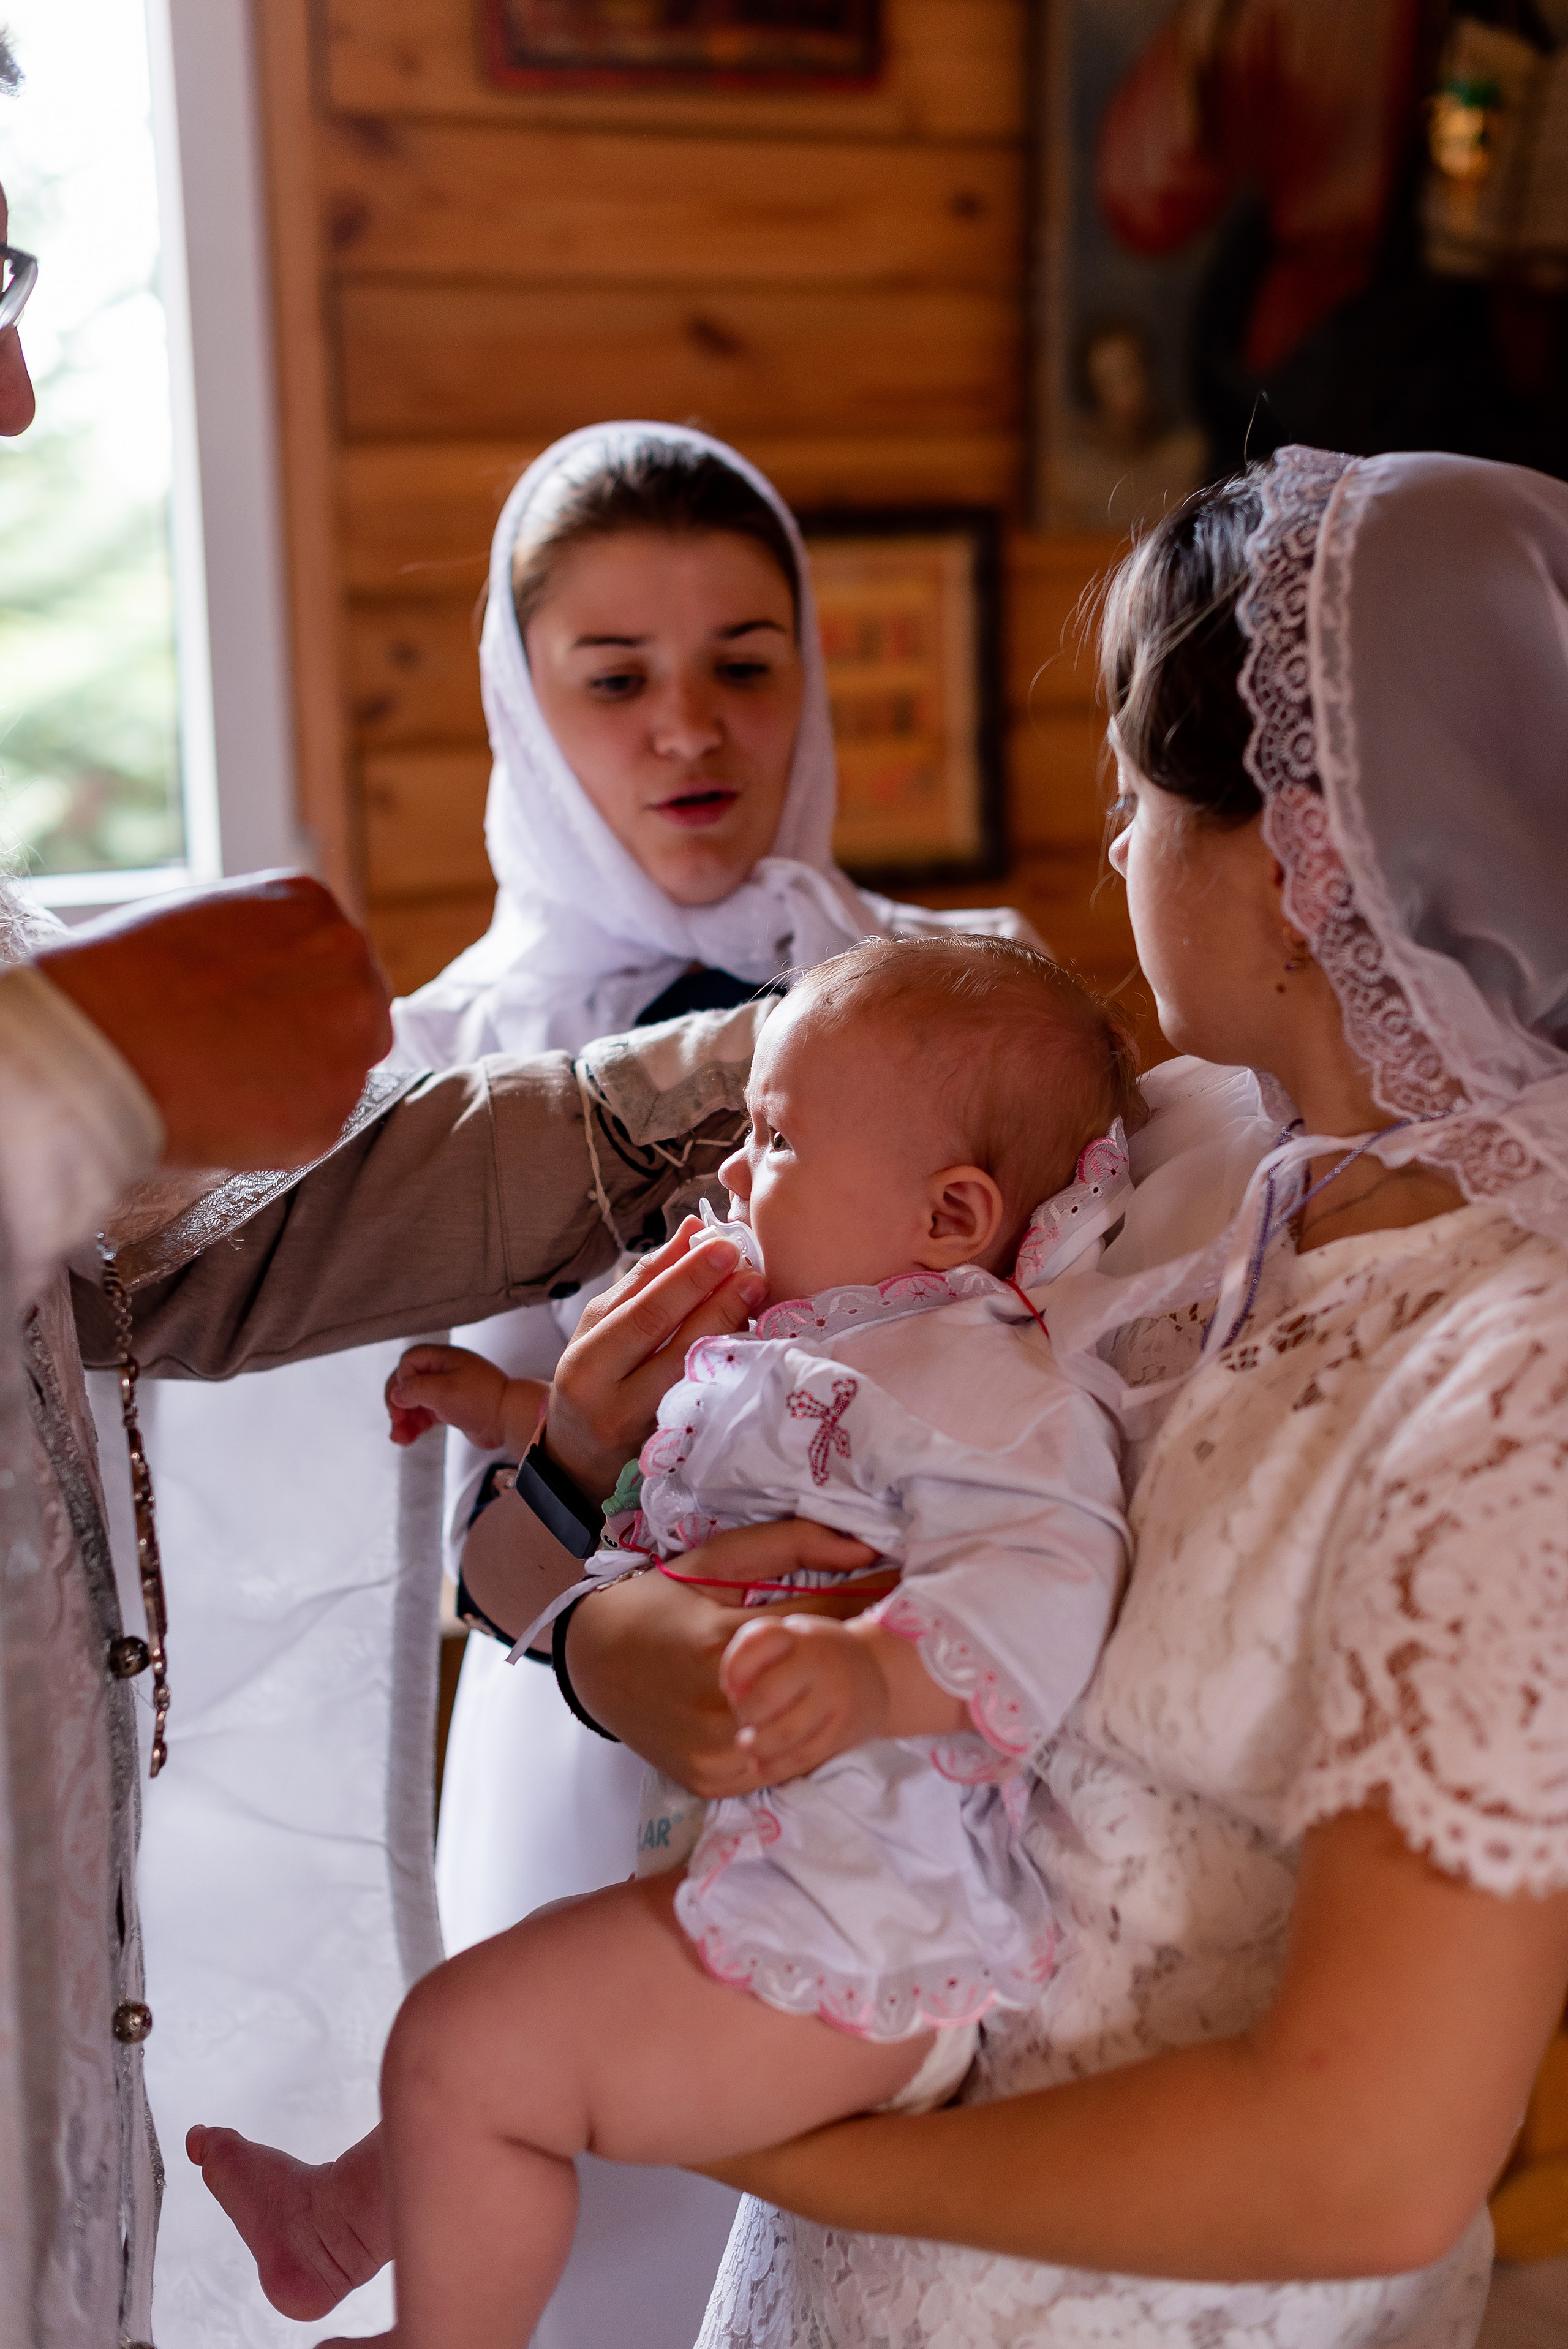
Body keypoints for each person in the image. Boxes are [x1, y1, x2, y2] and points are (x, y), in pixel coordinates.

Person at [529, 442, 1567, 2345]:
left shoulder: (1523, 1376)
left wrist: (792, 2149)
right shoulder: (1156, 1163)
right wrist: (629, 1633)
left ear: (1294, 852)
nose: (1109, 856)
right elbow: (826, 1484)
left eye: (1131, 797)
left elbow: (1367, 2159)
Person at [137, 418, 1035, 2345]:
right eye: (613, 680)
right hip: (571, 1739)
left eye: (742, 663)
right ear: (521, 707)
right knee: (549, 2192)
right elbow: (389, 1492)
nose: (687, 731)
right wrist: (568, 1480)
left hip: (887, 1734)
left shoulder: (960, 1006)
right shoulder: (437, 1076)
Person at [194, 931, 1140, 2346]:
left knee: (475, 2043)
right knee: (489, 2022)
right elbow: (664, 1489)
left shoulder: (972, 1377)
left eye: (770, 1141)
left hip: (867, 1921)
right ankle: (348, 2225)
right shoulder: (810, 1354)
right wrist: (523, 1425)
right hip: (753, 1868)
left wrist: (873, 1673)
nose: (731, 1177)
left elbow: (1052, 1559)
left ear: (949, 1215)